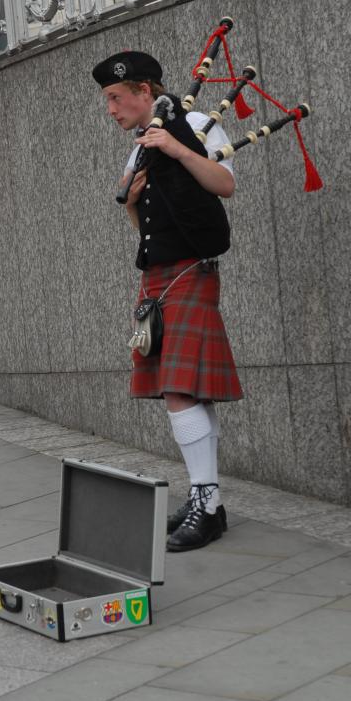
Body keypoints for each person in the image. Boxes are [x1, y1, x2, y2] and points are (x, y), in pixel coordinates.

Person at [93, 50, 242, 552]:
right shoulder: (139, 149)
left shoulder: (195, 123)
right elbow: (147, 230)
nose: (111, 110)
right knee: (186, 391)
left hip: (190, 274)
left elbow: (225, 184)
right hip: (158, 278)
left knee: (180, 388)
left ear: (144, 92)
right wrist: (132, 206)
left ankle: (207, 501)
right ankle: (209, 498)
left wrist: (178, 149)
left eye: (115, 98)